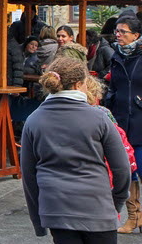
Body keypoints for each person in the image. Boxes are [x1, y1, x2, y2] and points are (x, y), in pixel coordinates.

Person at [22, 57, 130, 243]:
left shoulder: (33, 120)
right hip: (98, 208)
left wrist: (38, 222)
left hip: (57, 211)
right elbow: (122, 168)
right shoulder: (100, 118)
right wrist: (116, 203)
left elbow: (29, 176)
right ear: (80, 84)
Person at [105, 15, 142, 234]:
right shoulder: (116, 55)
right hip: (121, 121)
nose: (118, 35)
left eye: (123, 32)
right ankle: (134, 218)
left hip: (140, 121)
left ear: (136, 35)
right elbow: (113, 84)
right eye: (117, 31)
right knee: (127, 171)